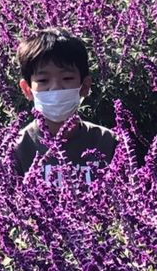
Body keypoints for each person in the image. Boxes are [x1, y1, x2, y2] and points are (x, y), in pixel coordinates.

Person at [12, 29, 117, 183]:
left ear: (85, 86)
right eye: (43, 80)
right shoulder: (17, 148)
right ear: (27, 90)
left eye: (67, 78)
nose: (55, 88)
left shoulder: (107, 142)